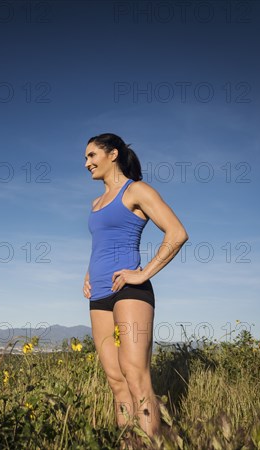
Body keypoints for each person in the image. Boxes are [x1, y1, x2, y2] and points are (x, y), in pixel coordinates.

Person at [83, 133, 188, 437]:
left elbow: (177, 233)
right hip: (99, 293)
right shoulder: (96, 202)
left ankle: (152, 445)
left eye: (92, 156)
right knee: (115, 380)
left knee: (135, 374)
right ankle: (128, 444)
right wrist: (88, 275)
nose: (87, 163)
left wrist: (143, 274)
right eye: (86, 158)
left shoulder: (136, 191)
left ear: (112, 154)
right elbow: (102, 245)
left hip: (130, 291)